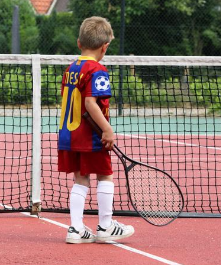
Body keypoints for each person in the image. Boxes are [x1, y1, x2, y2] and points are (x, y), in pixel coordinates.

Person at [58, 16, 134, 244]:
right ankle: (106, 225)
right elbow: (91, 103)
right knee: (105, 175)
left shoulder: (71, 68)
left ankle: (76, 228)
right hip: (90, 136)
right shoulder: (98, 70)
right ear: (105, 46)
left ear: (79, 43)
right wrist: (107, 129)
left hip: (70, 136)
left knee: (80, 179)